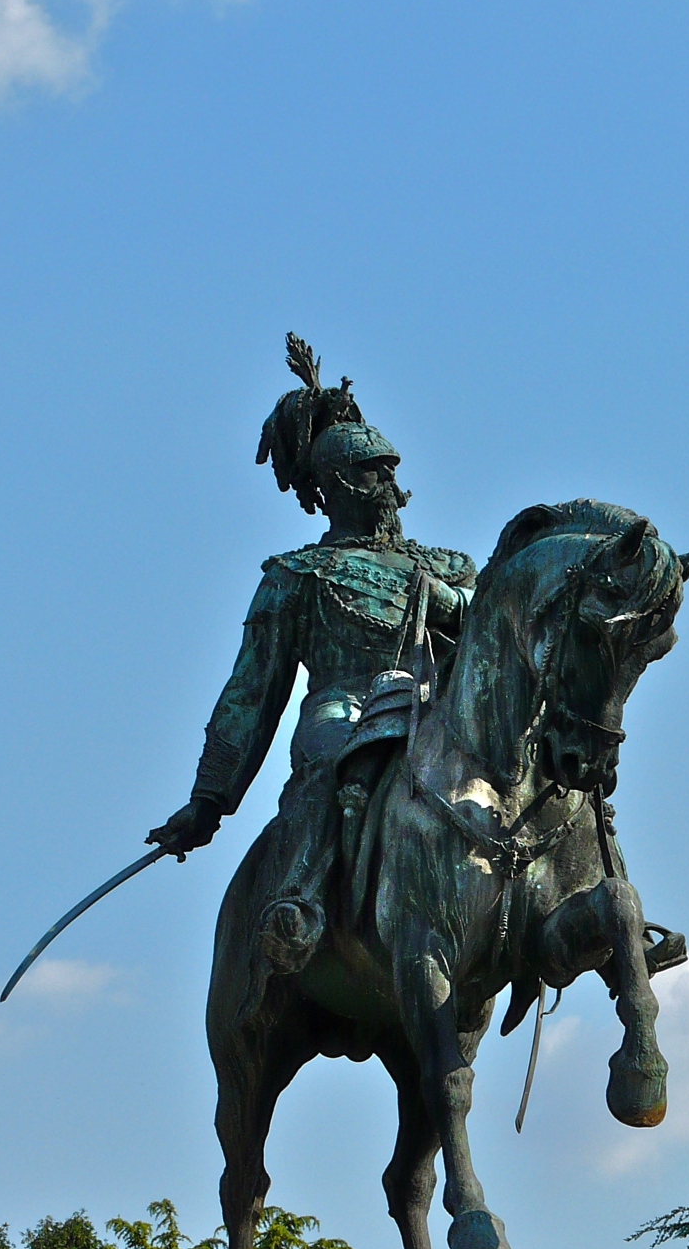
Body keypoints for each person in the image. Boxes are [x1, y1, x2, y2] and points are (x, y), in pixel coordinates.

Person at [146, 334, 475, 973]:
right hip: (344, 707)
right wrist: (209, 799)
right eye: (374, 470)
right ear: (336, 484)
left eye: (392, 468)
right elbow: (250, 692)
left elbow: (498, 631)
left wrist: (451, 602)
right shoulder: (297, 577)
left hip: (432, 707)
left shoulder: (448, 567)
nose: (391, 483)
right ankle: (297, 898)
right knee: (331, 763)